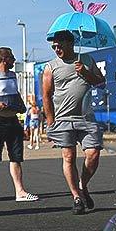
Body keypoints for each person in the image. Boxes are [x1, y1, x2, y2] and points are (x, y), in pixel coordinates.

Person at [42, 30, 106, 215]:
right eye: (54, 46)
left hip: (86, 118)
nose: (56, 49)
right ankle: (77, 197)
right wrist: (50, 120)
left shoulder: (86, 60)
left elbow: (101, 83)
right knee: (68, 157)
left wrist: (85, 72)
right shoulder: (50, 67)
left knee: (93, 155)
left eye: (59, 45)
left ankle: (82, 185)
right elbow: (46, 94)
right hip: (62, 119)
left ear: (70, 43)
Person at [0, 47, 38, 203]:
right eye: (12, 58)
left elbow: (15, 94)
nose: (14, 60)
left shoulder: (12, 75)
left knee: (16, 157)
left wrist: (22, 105)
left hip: (13, 120)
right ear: (4, 59)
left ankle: (20, 192)